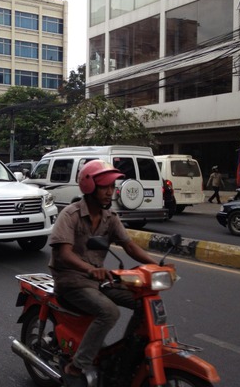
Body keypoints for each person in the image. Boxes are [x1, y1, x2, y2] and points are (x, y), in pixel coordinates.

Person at [48, 160, 158, 385]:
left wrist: (156, 265)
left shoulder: (110, 217)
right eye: (105, 187)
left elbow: (129, 246)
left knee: (144, 300)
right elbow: (64, 254)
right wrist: (90, 269)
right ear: (89, 187)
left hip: (98, 280)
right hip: (71, 280)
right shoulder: (70, 215)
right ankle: (76, 366)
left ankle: (124, 357)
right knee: (109, 313)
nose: (111, 192)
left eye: (112, 186)